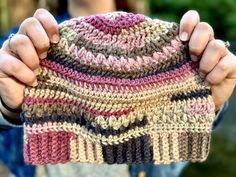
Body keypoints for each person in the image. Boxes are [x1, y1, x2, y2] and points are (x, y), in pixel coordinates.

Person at [0, 0, 235, 177]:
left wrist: (205, 104)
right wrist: (7, 110)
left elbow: (168, 168)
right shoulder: (22, 43)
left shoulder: (168, 45)